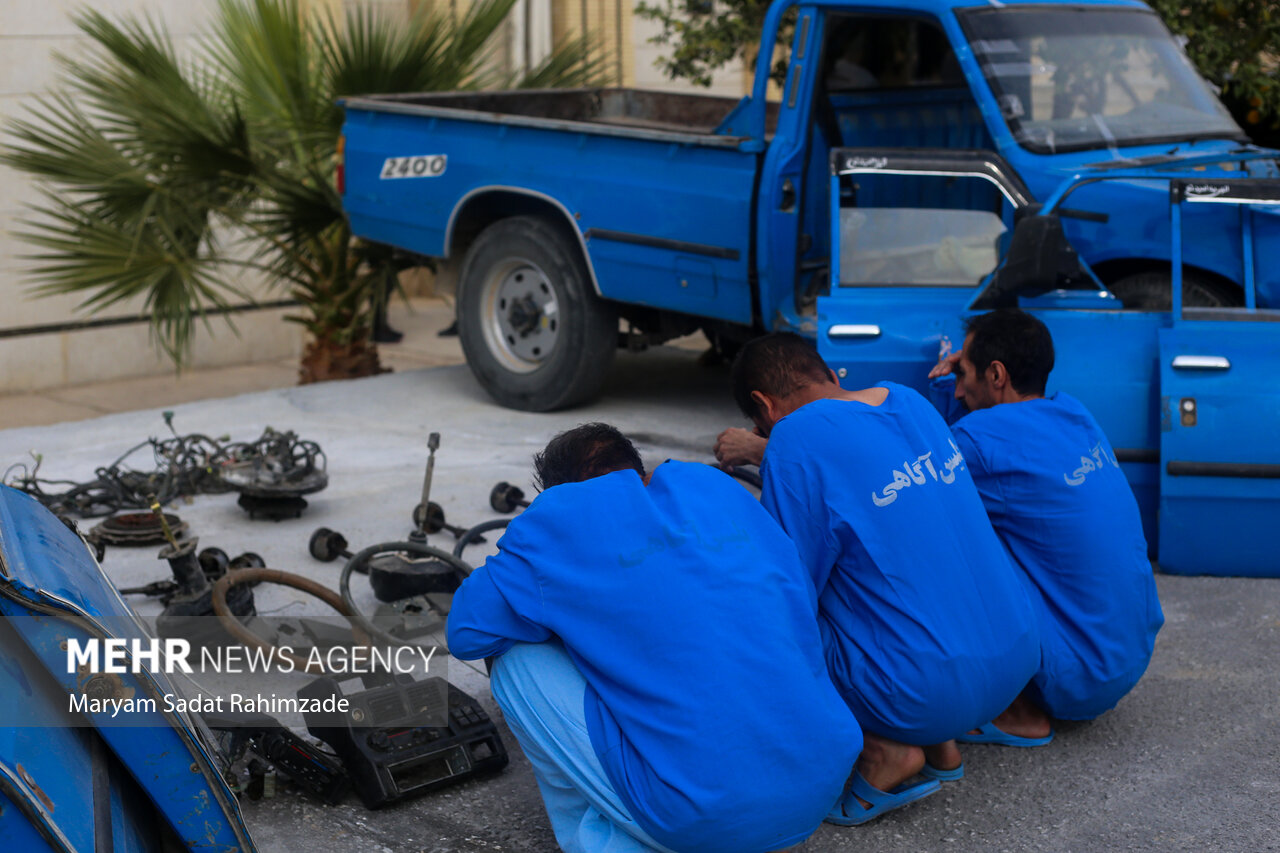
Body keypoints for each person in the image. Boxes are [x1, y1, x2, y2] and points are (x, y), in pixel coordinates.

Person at [446, 423, 863, 853]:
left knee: (515, 662)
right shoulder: (714, 486)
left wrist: (558, 610)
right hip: (823, 778)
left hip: (710, 817)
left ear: (556, 492)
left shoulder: (556, 520)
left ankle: (606, 841)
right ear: (638, 472)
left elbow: (466, 633)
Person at [722, 333, 1039, 825]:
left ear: (764, 406)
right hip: (1014, 662)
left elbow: (790, 588)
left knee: (772, 616)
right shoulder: (909, 402)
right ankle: (940, 742)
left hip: (930, 691)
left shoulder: (793, 438)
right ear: (830, 375)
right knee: (904, 560)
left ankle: (885, 750)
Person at [927, 309, 1163, 739]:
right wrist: (965, 374)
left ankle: (1014, 711)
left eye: (964, 374)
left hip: (1073, 680)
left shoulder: (980, 441)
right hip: (1127, 657)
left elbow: (918, 478)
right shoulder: (1074, 413)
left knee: (933, 537)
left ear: (996, 374)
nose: (959, 389)